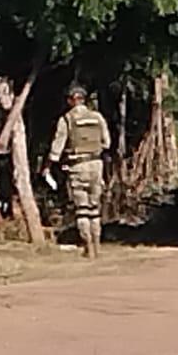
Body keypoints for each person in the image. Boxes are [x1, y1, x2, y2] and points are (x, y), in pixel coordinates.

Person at [46, 83, 111, 258]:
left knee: (81, 208)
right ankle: (97, 245)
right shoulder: (97, 117)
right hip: (97, 165)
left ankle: (88, 245)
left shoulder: (66, 120)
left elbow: (56, 148)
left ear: (71, 100)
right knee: (94, 207)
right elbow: (107, 143)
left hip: (77, 166)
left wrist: (49, 166)